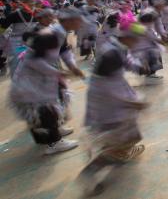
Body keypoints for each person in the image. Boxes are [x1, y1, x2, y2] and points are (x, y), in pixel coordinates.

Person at [79, 20, 150, 194]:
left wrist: (139, 67)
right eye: (137, 38)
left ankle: (123, 151)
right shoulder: (111, 54)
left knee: (130, 134)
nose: (139, 41)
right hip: (108, 101)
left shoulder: (118, 46)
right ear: (128, 37)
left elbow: (127, 60)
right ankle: (89, 174)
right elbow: (105, 87)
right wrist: (131, 103)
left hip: (115, 93)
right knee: (116, 140)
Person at [9, 28, 80, 154]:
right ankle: (54, 143)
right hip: (27, 93)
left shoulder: (36, 52)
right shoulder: (34, 58)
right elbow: (53, 72)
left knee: (48, 113)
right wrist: (72, 73)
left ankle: (53, 133)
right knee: (46, 114)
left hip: (32, 89)